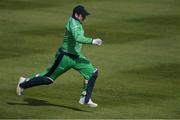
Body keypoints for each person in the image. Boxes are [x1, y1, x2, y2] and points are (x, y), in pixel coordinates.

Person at [16, 5, 102, 108]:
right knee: (48, 79)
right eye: (82, 16)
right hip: (65, 57)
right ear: (76, 15)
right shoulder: (72, 23)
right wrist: (92, 41)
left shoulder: (77, 23)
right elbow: (78, 38)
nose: (84, 18)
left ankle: (85, 98)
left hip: (76, 56)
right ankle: (23, 84)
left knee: (92, 72)